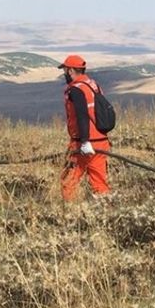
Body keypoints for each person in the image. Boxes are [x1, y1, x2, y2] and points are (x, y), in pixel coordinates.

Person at [58, 54, 111, 200]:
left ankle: (69, 214)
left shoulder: (76, 89)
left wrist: (85, 141)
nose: (65, 74)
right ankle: (105, 214)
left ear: (70, 71)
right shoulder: (93, 85)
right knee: (99, 183)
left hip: (83, 145)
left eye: (65, 70)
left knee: (68, 181)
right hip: (101, 141)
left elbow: (82, 115)